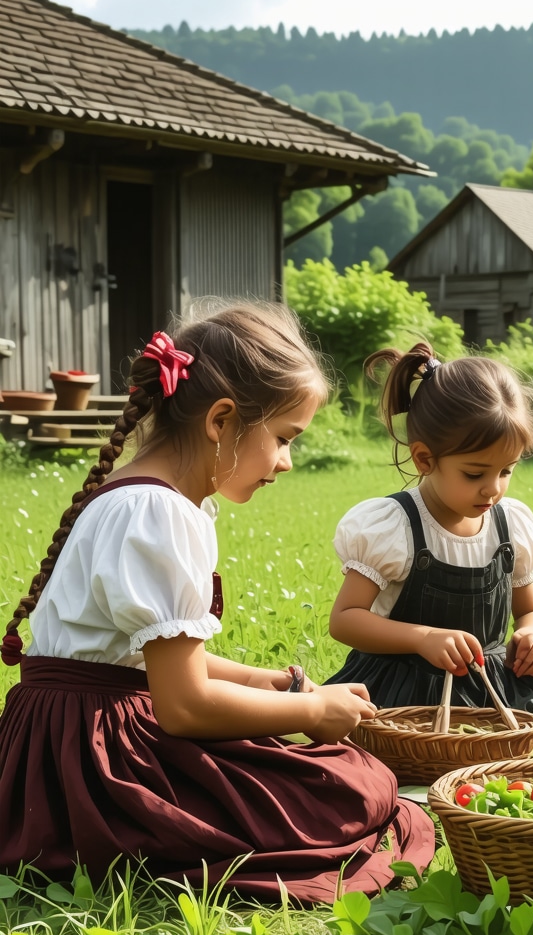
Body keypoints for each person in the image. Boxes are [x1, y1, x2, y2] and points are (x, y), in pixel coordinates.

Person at [0, 302, 434, 903]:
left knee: (333, 775)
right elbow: (183, 706)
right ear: (221, 420)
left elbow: (151, 662)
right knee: (354, 787)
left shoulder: (133, 495)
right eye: (284, 439)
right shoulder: (161, 514)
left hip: (55, 742)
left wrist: (278, 684)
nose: (285, 462)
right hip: (99, 762)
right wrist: (313, 716)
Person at [325, 342, 533, 721]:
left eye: (506, 471)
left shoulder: (510, 525)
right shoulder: (396, 526)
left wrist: (532, 636)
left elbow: (531, 610)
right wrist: (422, 638)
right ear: (425, 458)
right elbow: (345, 618)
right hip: (406, 689)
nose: (493, 488)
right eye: (475, 474)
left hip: (493, 688)